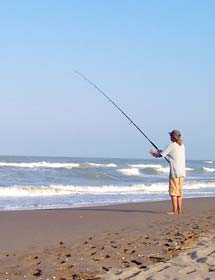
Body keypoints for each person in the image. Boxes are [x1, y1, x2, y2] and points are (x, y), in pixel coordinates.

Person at [150, 129, 186, 215]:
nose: (169, 137)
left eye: (170, 135)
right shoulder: (182, 145)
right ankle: (179, 210)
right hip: (182, 172)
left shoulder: (172, 145)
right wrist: (161, 151)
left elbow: (160, 155)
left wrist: (153, 153)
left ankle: (174, 211)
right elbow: (168, 153)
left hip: (174, 172)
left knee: (173, 192)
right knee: (179, 192)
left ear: (173, 137)